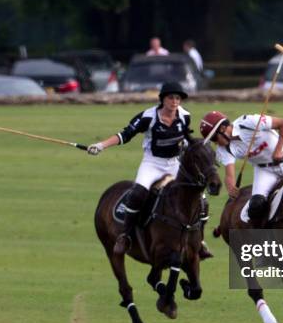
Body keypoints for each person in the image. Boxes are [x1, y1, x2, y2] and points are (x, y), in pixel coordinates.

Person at [88, 82, 212, 257]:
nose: (175, 101)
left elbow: (186, 137)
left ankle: (199, 241)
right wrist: (102, 145)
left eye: (177, 98)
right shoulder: (148, 116)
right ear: (162, 99)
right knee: (137, 194)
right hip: (152, 164)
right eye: (171, 98)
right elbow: (125, 134)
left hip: (175, 164)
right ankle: (125, 237)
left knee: (201, 199)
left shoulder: (185, 116)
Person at [199, 111, 283, 227]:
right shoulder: (224, 148)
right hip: (264, 170)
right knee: (256, 206)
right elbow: (229, 172)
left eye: (214, 138)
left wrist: (278, 150)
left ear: (223, 128)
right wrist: (231, 186)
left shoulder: (248, 122)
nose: (215, 143)